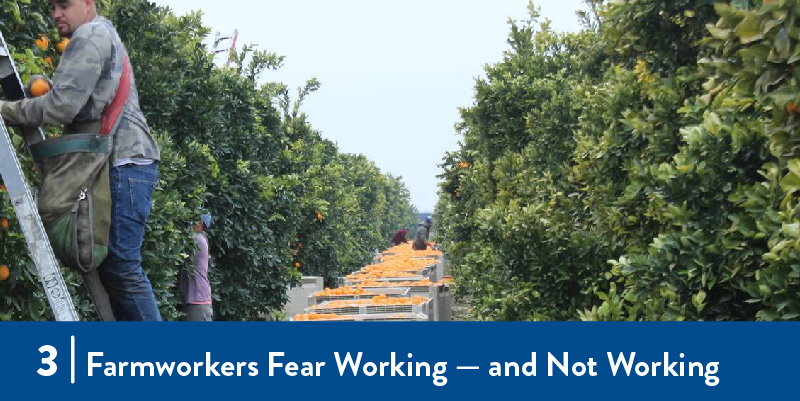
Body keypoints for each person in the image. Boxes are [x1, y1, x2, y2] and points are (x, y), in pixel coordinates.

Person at [0, 0, 162, 320]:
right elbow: (75, 102)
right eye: (52, 7)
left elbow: (61, 108)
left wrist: (6, 110)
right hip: (127, 162)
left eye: (65, 5)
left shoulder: (88, 38)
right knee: (115, 269)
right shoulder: (102, 35)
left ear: (88, 4)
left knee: (122, 267)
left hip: (122, 163)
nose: (57, 14)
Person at [178, 214, 213, 321]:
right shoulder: (198, 239)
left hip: (197, 304)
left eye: (193, 218)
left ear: (200, 223)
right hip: (193, 303)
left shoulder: (196, 239)